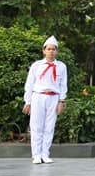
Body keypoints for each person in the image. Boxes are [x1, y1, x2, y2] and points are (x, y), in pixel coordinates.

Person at [23, 35, 67, 164]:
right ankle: (36, 154)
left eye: (53, 49)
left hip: (53, 97)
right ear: (44, 50)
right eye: (48, 49)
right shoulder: (37, 65)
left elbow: (63, 85)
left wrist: (61, 101)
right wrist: (28, 101)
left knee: (49, 126)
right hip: (38, 96)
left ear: (57, 51)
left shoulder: (61, 66)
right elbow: (30, 83)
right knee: (36, 126)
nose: (51, 51)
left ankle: (45, 153)